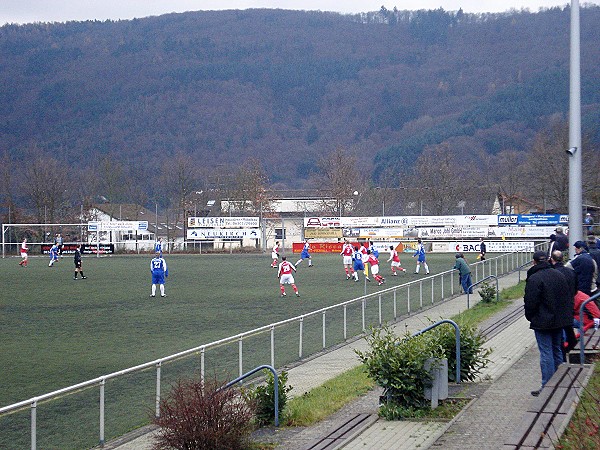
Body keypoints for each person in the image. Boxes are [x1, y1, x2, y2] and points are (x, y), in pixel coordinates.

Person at [524, 250, 572, 396]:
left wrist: (531, 317)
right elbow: (566, 297)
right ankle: (561, 382)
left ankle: (547, 387)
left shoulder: (534, 278)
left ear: (534, 262)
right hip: (559, 320)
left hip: (543, 321)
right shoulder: (559, 275)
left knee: (546, 353)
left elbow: (530, 302)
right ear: (549, 260)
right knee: (557, 349)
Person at [549, 250, 578, 358]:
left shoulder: (552, 273)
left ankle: (562, 356)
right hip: (569, 305)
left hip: (557, 308)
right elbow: (576, 290)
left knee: (558, 336)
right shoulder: (571, 272)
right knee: (568, 329)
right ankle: (571, 346)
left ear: (552, 259)